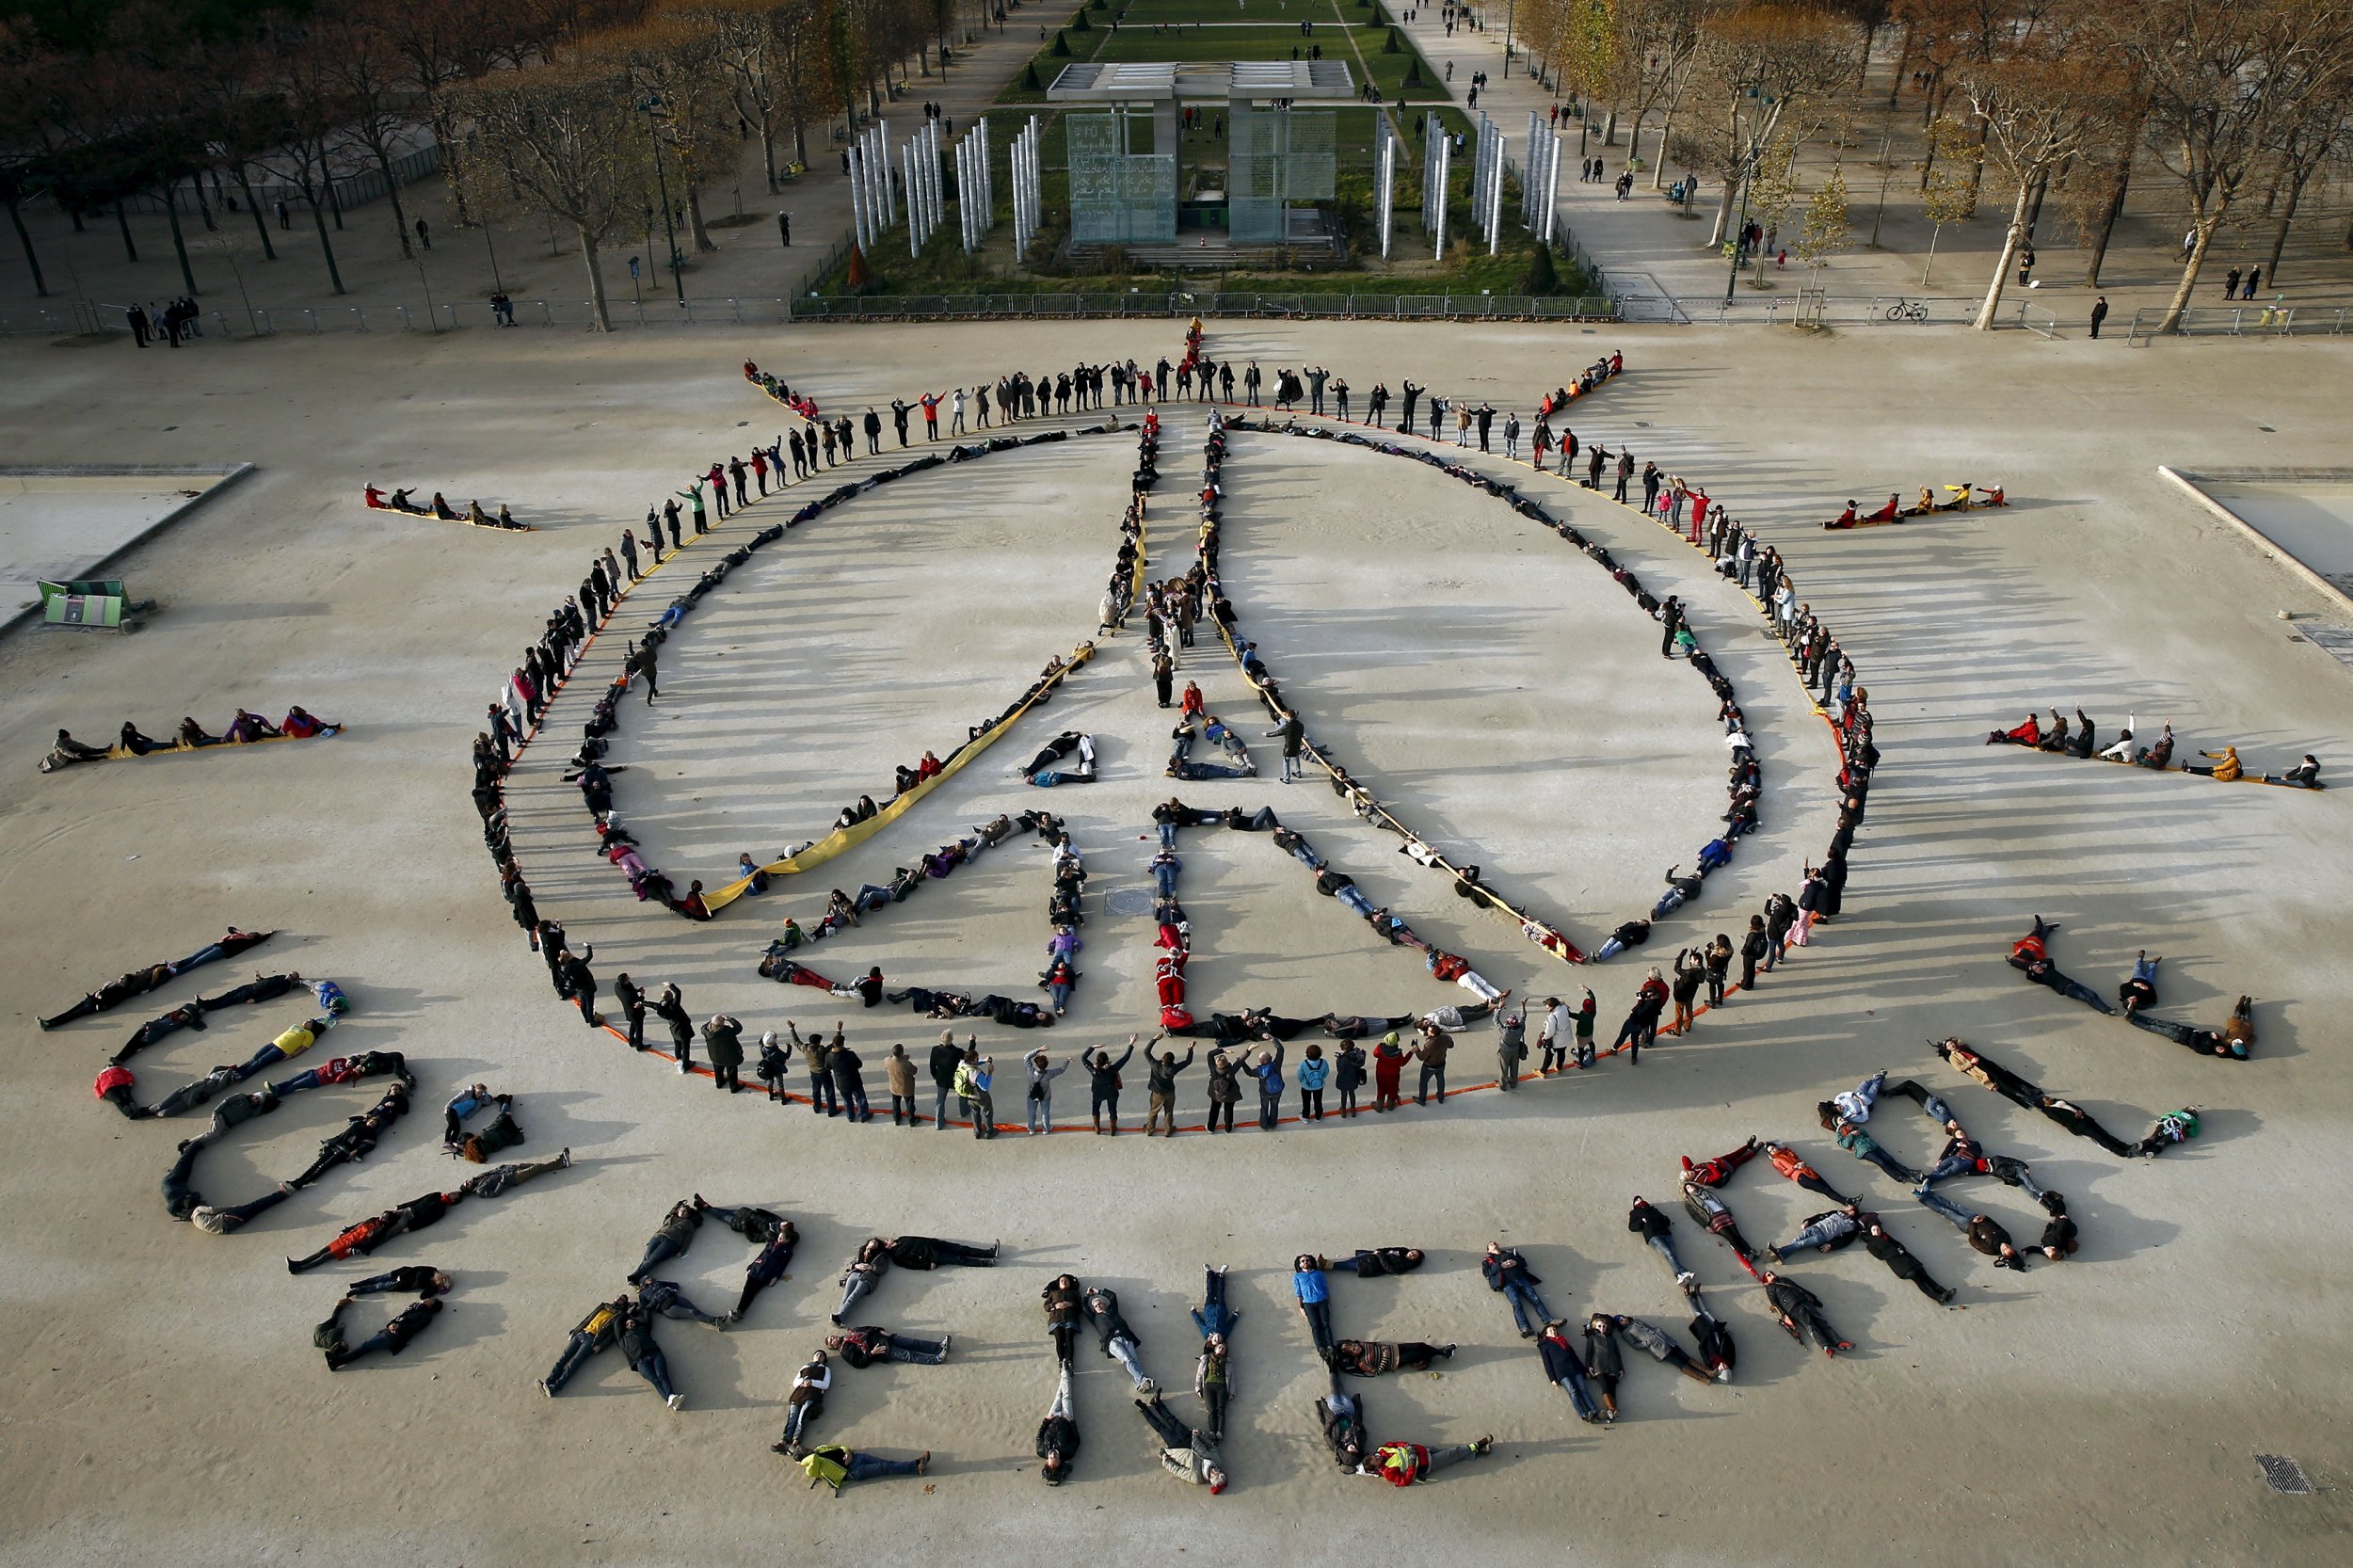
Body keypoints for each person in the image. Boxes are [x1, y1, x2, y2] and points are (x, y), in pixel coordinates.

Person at [320, 1293, 444, 1371]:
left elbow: (414, 1328)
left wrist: (397, 1328)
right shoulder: (414, 1308)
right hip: (388, 1332)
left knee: (365, 1346)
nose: (427, 1299)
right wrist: (391, 1324)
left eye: (430, 1300)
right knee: (366, 1348)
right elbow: (399, 1317)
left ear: (431, 1306)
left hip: (394, 1337)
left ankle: (337, 1359)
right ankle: (337, 1361)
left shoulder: (425, 1316)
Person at [1137, 1389, 1227, 1490]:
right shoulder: (1217, 1461)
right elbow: (1211, 1445)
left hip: (1177, 1447)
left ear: (1211, 1478)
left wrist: (1166, 1461)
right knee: (1172, 1420)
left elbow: (1178, 1471)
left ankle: (1144, 1410)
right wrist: (1201, 1434)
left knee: (1161, 1428)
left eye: (1215, 1473)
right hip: (1190, 1437)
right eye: (1218, 1471)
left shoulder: (1196, 1477)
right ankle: (1157, 1403)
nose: (1216, 1470)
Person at [1915, 1192, 2029, 1270]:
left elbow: (1973, 1240)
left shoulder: (1990, 1249)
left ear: (2003, 1253)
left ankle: (1924, 1198)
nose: (2006, 1246)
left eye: (2005, 1249)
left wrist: (1974, 1224)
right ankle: (1929, 1193)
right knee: (1953, 1205)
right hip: (1977, 1217)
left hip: (1967, 1225)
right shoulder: (2007, 1239)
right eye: (2009, 1247)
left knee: (1946, 1211)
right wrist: (1985, 1218)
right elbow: (1997, 1226)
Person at [1760, 1272, 1852, 1355]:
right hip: (1793, 1308)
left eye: (1772, 1273)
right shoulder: (1770, 1288)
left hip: (1804, 1301)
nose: (1772, 1275)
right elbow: (1775, 1303)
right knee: (1810, 1326)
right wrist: (1784, 1315)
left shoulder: (1785, 1280)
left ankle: (1838, 1342)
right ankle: (1826, 1346)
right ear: (1765, 1280)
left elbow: (1799, 1288)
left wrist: (1813, 1298)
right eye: (1769, 1275)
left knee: (1822, 1322)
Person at [1482, 1242, 1554, 1337]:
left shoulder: (1511, 1253)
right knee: (1517, 1304)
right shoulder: (1488, 1260)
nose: (1493, 1244)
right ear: (1488, 1250)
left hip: (1521, 1279)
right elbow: (1487, 1273)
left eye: (1494, 1243)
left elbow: (1524, 1263)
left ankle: (1548, 1320)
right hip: (1507, 1284)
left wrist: (1515, 1262)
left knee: (1535, 1299)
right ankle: (1525, 1328)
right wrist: (1501, 1266)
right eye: (1490, 1245)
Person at [627, 1199, 704, 1285]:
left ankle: (635, 1276)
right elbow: (663, 1225)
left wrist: (682, 1251)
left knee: (653, 1258)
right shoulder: (670, 1218)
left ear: (688, 1214)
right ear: (678, 1211)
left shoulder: (688, 1223)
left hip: (671, 1241)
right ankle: (637, 1278)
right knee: (647, 1257)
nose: (682, 1212)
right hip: (657, 1236)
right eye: (681, 1210)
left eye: (685, 1211)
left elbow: (688, 1238)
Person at [797, 1444, 929, 1493]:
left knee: (886, 1464)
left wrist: (847, 1452)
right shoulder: (811, 1469)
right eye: (807, 1450)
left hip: (857, 1458)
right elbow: (814, 1458)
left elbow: (841, 1447)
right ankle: (916, 1465)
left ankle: (916, 1467)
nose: (810, 1449)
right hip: (853, 1472)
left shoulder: (820, 1448)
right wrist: (802, 1462)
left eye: (807, 1447)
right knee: (884, 1467)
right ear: (805, 1459)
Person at [1628, 1197, 1697, 1288]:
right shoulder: (1635, 1213)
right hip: (1652, 1235)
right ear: (1634, 1204)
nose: (1639, 1200)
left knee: (1672, 1254)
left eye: (1640, 1198)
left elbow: (1666, 1220)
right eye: (1637, 1200)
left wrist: (1665, 1219)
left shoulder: (1653, 1209)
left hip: (1665, 1233)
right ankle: (1683, 1272)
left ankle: (1679, 1276)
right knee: (1668, 1253)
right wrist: (1641, 1221)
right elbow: (1632, 1227)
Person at [774, 1352, 831, 1449]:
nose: (819, 1356)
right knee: (792, 1417)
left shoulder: (825, 1369)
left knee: (802, 1417)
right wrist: (803, 1381)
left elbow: (826, 1384)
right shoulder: (805, 1367)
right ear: (813, 1356)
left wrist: (812, 1382)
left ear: (824, 1359)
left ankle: (796, 1441)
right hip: (798, 1394)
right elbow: (795, 1382)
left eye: (821, 1355)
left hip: (812, 1395)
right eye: (817, 1354)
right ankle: (784, 1440)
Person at [1036, 1364, 1081, 1484]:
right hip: (1066, 1417)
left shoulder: (1041, 1451)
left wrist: (1046, 1420)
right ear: (1060, 1462)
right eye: (1055, 1457)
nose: (1053, 1455)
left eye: (1050, 1457)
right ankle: (1065, 1371)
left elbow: (1039, 1436)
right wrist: (1071, 1422)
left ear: (1046, 1461)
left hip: (1053, 1417)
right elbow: (1076, 1440)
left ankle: (1065, 1373)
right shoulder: (1068, 1453)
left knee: (1058, 1396)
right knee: (1066, 1397)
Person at [826, 1325, 948, 1367]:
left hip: (886, 1338)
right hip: (884, 1350)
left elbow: (868, 1328)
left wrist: (880, 1330)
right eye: (831, 1342)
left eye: (832, 1337)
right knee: (909, 1355)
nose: (833, 1339)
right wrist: (872, 1353)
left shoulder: (850, 1332)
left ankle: (939, 1346)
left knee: (913, 1342)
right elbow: (858, 1363)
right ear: (834, 1347)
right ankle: (936, 1359)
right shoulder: (845, 1351)